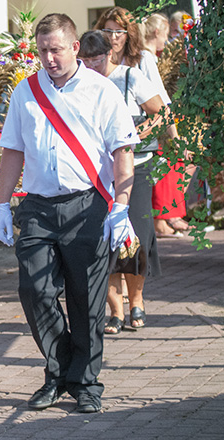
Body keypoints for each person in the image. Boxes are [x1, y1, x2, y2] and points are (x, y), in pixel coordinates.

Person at [0, 13, 137, 414]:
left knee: (86, 300)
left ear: (75, 47)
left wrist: (120, 210)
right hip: (39, 205)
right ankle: (59, 371)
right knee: (34, 290)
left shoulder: (101, 91)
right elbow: (13, 150)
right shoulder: (26, 92)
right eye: (42, 51)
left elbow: (122, 153)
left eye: (56, 49)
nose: (49, 58)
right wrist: (4, 205)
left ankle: (85, 383)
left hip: (87, 203)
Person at [79, 30, 166, 332]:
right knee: (105, 239)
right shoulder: (76, 84)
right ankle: (115, 308)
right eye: (86, 61)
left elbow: (162, 112)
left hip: (135, 166)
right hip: (98, 173)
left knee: (137, 235)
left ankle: (137, 300)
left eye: (97, 60)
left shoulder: (130, 77)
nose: (91, 66)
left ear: (111, 54)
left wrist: (138, 135)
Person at [94, 7, 191, 237]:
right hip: (102, 155)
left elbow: (162, 103)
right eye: (108, 31)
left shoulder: (141, 59)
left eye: (120, 31)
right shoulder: (94, 61)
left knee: (137, 221)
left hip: (136, 151)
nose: (113, 37)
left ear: (130, 33)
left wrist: (174, 139)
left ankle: (137, 269)